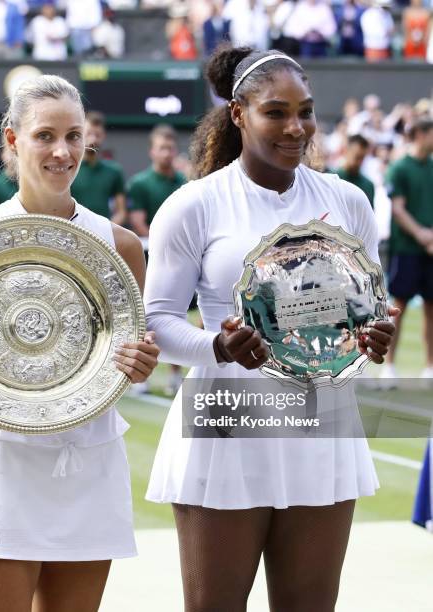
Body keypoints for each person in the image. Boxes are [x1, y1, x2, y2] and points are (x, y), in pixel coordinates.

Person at [144, 45, 398, 611]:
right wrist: (217, 346)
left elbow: (368, 310)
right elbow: (155, 322)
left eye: (304, 111)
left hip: (323, 423)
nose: (296, 127)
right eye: (276, 112)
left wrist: (375, 334)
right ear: (238, 114)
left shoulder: (348, 201)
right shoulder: (193, 207)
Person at [0, 74, 159, 612]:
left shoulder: (122, 246)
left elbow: (125, 362)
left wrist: (140, 365)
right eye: (45, 135)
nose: (63, 151)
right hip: (2, 466)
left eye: (74, 135)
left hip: (90, 465)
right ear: (13, 138)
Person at [128, 123, 186, 395]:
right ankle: (142, 376)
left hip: (180, 262)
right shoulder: (140, 183)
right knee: (144, 318)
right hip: (149, 259)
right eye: (161, 148)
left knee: (180, 320)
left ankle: (175, 376)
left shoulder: (184, 183)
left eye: (170, 148)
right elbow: (138, 222)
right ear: (152, 151)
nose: (166, 153)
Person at [382, 119, 433, 386]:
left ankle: (429, 368)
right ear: (422, 134)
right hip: (406, 248)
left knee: (431, 308)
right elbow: (398, 208)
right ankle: (389, 367)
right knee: (398, 307)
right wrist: (422, 235)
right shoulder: (400, 167)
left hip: (429, 250)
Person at [71, 111, 127, 226]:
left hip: (102, 238)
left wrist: (105, 230)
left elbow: (121, 212)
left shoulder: (114, 171)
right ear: (80, 134)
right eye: (89, 134)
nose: (93, 140)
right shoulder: (68, 169)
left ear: (104, 136)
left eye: (97, 135)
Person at [336, 134, 375, 208]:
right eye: (357, 157)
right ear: (346, 151)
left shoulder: (368, 185)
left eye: (363, 158)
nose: (359, 162)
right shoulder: (331, 178)